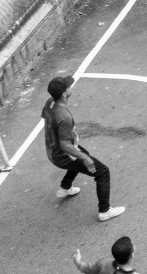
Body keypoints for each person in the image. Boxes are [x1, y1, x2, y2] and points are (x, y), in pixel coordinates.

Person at [43, 75, 125, 222]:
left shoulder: (50, 103)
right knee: (102, 172)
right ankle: (104, 211)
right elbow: (65, 146)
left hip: (52, 150)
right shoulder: (64, 117)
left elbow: (48, 119)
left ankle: (65, 187)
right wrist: (85, 159)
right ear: (63, 93)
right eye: (68, 86)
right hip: (62, 153)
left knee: (83, 154)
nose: (70, 86)